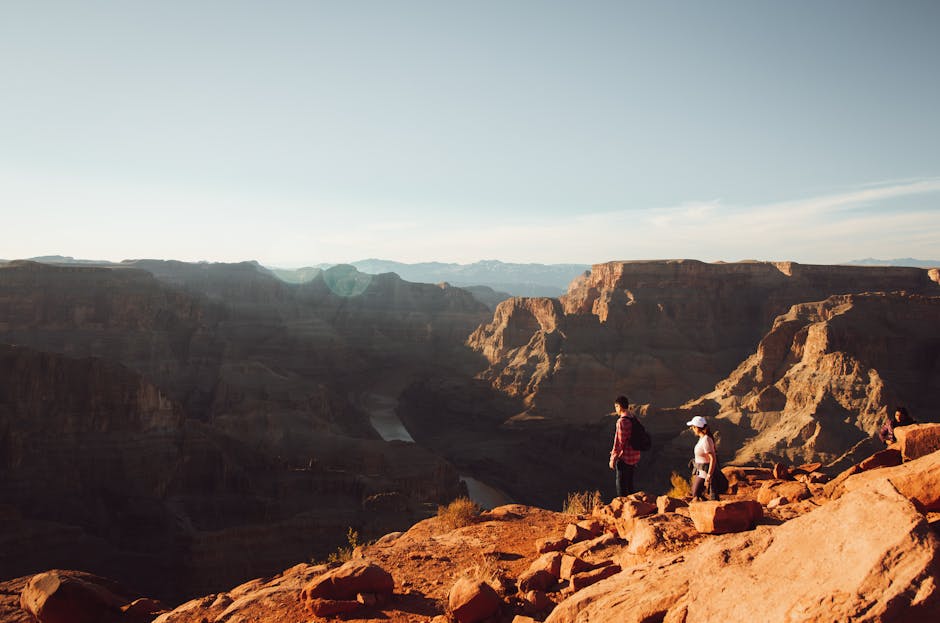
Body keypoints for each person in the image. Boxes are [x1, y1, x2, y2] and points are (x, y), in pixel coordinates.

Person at [609, 395, 641, 499]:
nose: (616, 410)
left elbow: (619, 442)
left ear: (619, 406)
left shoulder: (622, 421)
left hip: (624, 458)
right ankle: (632, 505)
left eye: (616, 407)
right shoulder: (634, 418)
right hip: (634, 457)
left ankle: (623, 506)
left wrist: (613, 458)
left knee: (621, 486)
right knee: (630, 484)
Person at [686, 415, 717, 501]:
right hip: (700, 471)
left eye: (693, 427)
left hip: (705, 472)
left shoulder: (706, 439)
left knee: (696, 494)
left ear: (697, 428)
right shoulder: (702, 438)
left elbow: (713, 458)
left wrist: (709, 475)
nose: (692, 428)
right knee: (696, 493)